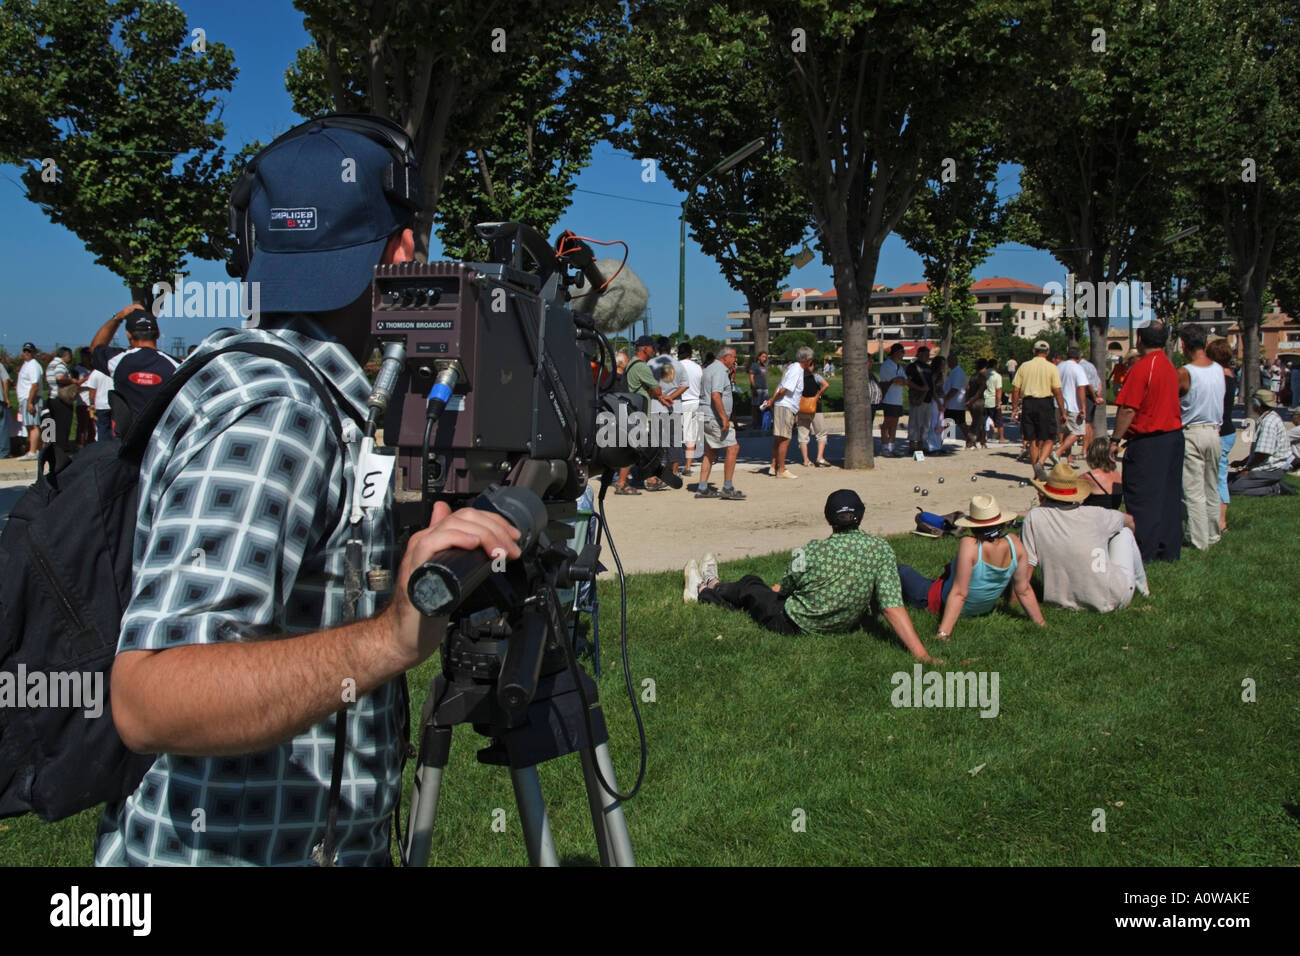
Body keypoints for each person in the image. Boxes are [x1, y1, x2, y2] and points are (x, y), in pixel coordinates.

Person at [95, 114, 524, 867]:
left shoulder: (290, 383)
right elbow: (150, 695)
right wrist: (390, 636)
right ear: (402, 251)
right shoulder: (278, 410)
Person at [683, 490, 941, 662]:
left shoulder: (810, 551)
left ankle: (708, 587)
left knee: (751, 585)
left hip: (793, 623)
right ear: (860, 516)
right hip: (843, 623)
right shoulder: (881, 550)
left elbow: (784, 589)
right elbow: (892, 607)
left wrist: (778, 589)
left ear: (828, 518)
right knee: (753, 596)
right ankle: (710, 587)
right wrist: (922, 655)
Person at [896, 494, 1045, 640]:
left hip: (935, 600)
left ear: (973, 527)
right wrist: (1040, 623)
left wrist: (943, 633)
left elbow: (959, 593)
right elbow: (1024, 590)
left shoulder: (970, 545)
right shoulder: (1014, 544)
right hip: (984, 608)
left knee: (900, 570)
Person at [1020, 463, 1149, 612]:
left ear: (1043, 494)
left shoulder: (1034, 517)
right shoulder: (1097, 514)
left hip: (1059, 601)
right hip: (1113, 598)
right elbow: (1130, 521)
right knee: (1125, 532)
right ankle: (1144, 590)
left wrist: (1017, 598)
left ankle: (1142, 589)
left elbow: (1027, 565)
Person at [1112, 321, 1184, 562]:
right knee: (1169, 496)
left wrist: (1115, 439)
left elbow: (1128, 409)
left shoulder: (1143, 368)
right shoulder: (1169, 365)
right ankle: (1168, 548)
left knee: (1143, 497)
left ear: (1140, 338)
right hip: (1172, 436)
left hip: (1149, 439)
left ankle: (1144, 551)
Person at [1176, 326, 1224, 550]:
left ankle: (1198, 539)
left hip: (1192, 431)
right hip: (1214, 431)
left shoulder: (1185, 372)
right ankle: (1213, 533)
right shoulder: (1218, 370)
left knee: (1193, 490)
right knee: (1211, 486)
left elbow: (1173, 399)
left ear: (1184, 345)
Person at [615, 335, 672, 494]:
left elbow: (644, 389)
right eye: (652, 347)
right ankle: (623, 483)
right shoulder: (641, 366)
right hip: (639, 413)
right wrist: (658, 393)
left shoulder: (631, 363)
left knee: (640, 449)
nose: (654, 350)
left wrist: (658, 396)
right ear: (645, 348)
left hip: (632, 411)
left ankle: (649, 479)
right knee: (639, 449)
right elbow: (657, 388)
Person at [695, 347, 746, 500]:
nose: (735, 360)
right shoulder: (719, 371)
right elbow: (716, 395)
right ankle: (728, 487)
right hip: (714, 417)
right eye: (734, 357)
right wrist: (724, 418)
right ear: (726, 357)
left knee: (711, 452)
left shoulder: (711, 369)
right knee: (733, 447)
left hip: (706, 416)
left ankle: (703, 488)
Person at [1011, 339, 1067, 480]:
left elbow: (1016, 389)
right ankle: (1040, 463)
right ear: (1047, 353)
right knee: (1049, 437)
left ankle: (1036, 472)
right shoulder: (1052, 367)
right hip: (1045, 403)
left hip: (1028, 403)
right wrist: (1062, 411)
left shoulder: (1024, 366)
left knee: (1032, 439)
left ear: (1033, 351)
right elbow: (1057, 391)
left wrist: (1015, 408)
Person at [1227, 389, 1296, 496]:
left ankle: (1275, 488)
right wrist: (1243, 462)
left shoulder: (1268, 422)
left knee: (1233, 489)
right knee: (1228, 479)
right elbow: (1260, 450)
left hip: (1270, 469)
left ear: (1257, 404)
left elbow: (1263, 453)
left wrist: (1248, 468)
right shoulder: (1269, 417)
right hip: (1267, 467)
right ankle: (1270, 484)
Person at [1205, 338, 1238, 533]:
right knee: (1219, 475)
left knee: (1218, 477)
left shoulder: (1219, 377)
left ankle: (1221, 520)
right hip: (1229, 430)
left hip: (1220, 431)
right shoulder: (1230, 375)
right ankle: (1219, 518)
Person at [764, 346, 812, 478]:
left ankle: (774, 466)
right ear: (807, 359)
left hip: (783, 405)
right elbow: (784, 389)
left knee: (779, 438)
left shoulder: (792, 367)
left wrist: (773, 401)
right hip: (786, 406)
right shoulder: (797, 369)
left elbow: (780, 386)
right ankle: (782, 469)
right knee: (785, 439)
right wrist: (773, 400)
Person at [646, 336, 687, 487]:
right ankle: (673, 472)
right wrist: (670, 397)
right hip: (674, 406)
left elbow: (647, 386)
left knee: (655, 443)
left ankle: (652, 475)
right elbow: (684, 385)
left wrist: (661, 397)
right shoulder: (678, 364)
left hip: (656, 406)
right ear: (670, 349)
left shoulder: (651, 364)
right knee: (674, 441)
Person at [1054, 346, 1089, 464]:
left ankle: (1068, 457)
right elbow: (1081, 387)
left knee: (1066, 432)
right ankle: (1058, 452)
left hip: (1059, 404)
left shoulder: (1059, 366)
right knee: (1078, 432)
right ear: (1078, 357)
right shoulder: (1078, 368)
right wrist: (1083, 407)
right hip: (1073, 405)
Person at [44, 346, 79, 454]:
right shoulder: (60, 365)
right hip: (61, 399)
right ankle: (62, 449)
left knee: (54, 425)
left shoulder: (51, 365)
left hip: (52, 398)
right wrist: (72, 380)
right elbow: (59, 377)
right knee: (63, 425)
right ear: (65, 355)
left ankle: (53, 448)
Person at [905, 346, 936, 455]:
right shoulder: (912, 367)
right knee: (915, 423)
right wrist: (921, 389)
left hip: (927, 398)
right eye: (926, 354)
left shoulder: (929, 368)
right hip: (917, 397)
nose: (927, 357)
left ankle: (921, 445)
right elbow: (908, 382)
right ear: (920, 354)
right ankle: (912, 446)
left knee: (925, 424)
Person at [796, 365, 830, 467]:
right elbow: (826, 385)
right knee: (821, 433)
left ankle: (806, 460)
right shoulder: (816, 376)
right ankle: (820, 457)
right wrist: (818, 394)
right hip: (815, 408)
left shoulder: (798, 378)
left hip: (802, 408)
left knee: (803, 435)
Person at [678, 343, 704, 475]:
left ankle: (674, 466)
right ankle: (688, 466)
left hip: (680, 402)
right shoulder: (698, 368)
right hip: (696, 401)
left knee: (675, 436)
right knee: (691, 436)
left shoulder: (676, 366)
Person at [15, 342, 43, 461]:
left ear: (33, 353)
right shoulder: (26, 365)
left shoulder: (33, 365)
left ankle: (33, 451)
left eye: (29, 351)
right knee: (31, 425)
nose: (26, 353)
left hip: (30, 398)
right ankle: (38, 449)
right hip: (25, 398)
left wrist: (30, 402)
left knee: (33, 425)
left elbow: (35, 385)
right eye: (25, 351)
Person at [879, 343, 908, 456]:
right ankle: (884, 446)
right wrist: (901, 380)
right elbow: (896, 380)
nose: (903, 354)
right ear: (896, 352)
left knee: (894, 424)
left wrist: (901, 380)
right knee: (887, 423)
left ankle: (891, 446)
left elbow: (905, 381)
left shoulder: (900, 367)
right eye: (902, 352)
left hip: (897, 399)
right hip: (889, 399)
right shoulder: (887, 365)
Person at [1080, 437, 1124, 510]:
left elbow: (1066, 491)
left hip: (1093, 518)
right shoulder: (1116, 474)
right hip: (1112, 516)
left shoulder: (1090, 476)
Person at [940, 348, 970, 446]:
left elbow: (955, 389)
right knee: (949, 422)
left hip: (955, 403)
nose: (948, 363)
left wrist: (946, 398)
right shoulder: (954, 372)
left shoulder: (957, 372)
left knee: (960, 423)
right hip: (952, 403)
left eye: (949, 361)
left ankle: (970, 439)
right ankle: (947, 440)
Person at [85, 363, 115, 443]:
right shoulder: (113, 371)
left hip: (100, 405)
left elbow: (92, 392)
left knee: (102, 428)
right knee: (114, 428)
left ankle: (103, 446)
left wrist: (91, 404)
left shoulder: (95, 373)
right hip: (113, 404)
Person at [74, 346, 96, 447]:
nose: (88, 358)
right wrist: (87, 378)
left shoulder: (94, 368)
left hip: (93, 402)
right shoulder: (77, 369)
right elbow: (76, 383)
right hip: (82, 401)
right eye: (85, 356)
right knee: (82, 425)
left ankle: (91, 445)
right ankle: (80, 445)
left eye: (89, 356)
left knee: (92, 425)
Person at [966, 360, 988, 449]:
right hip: (978, 401)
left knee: (979, 423)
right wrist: (971, 401)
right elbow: (979, 392)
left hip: (971, 400)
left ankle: (982, 441)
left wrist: (968, 400)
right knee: (976, 423)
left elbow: (968, 389)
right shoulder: (982, 377)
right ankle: (970, 442)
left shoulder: (973, 376)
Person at [983, 358, 1005, 444]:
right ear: (995, 365)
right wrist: (998, 401)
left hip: (985, 399)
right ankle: (1002, 438)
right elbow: (998, 390)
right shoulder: (997, 376)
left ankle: (983, 436)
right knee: (998, 420)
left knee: (984, 419)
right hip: (993, 399)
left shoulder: (984, 374)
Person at [748, 350, 770, 431]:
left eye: (766, 357)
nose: (765, 358)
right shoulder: (754, 365)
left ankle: (762, 423)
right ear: (759, 357)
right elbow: (751, 377)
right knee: (755, 406)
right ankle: (755, 423)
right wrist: (753, 388)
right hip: (757, 389)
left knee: (764, 406)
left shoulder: (763, 366)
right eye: (763, 357)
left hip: (764, 389)